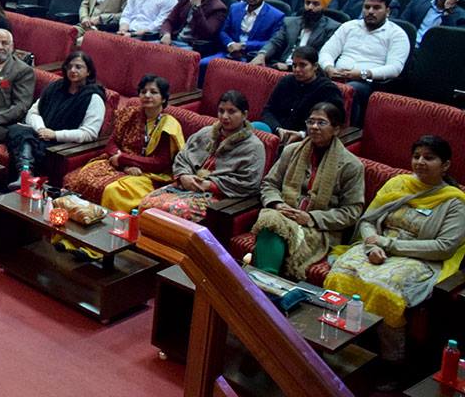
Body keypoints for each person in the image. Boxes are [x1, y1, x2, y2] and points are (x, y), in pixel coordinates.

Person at [324, 136, 465, 382]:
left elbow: (444, 247)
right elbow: (367, 221)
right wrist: (371, 246)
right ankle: (339, 344)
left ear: (445, 165)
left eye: (429, 158)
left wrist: (388, 245)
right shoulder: (398, 184)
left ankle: (392, 363)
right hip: (377, 245)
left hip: (419, 257)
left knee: (385, 290)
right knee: (340, 273)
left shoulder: (455, 202)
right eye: (416, 156)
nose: (420, 162)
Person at [249, 102, 365, 280]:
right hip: (283, 214)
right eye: (311, 122)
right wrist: (277, 204)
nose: (314, 127)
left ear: (336, 129)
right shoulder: (291, 151)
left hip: (319, 229)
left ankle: (263, 282)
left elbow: (352, 212)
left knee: (272, 223)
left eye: (321, 123)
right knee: (271, 219)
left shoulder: (351, 165)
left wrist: (311, 218)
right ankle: (266, 283)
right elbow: (269, 184)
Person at [62, 75, 185, 212]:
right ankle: (77, 219)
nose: (147, 95)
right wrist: (124, 164)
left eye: (153, 92)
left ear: (163, 98)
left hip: (150, 175)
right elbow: (112, 143)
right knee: (81, 177)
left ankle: (106, 223)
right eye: (143, 91)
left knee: (112, 191)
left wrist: (123, 159)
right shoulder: (130, 114)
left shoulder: (168, 125)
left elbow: (160, 162)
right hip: (118, 165)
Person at [139, 91, 266, 223]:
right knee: (146, 204)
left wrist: (209, 185)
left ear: (245, 114)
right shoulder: (206, 133)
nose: (225, 116)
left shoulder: (253, 147)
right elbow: (183, 157)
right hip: (186, 185)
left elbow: (249, 183)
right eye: (221, 111)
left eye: (231, 111)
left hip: (221, 196)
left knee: (172, 210)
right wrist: (183, 176)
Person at [4, 51, 106, 180]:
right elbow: (33, 112)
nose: (73, 70)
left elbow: (89, 133)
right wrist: (41, 129)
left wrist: (55, 134)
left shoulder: (94, 97)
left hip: (62, 143)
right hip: (42, 134)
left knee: (25, 141)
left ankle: (24, 175)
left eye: (78, 67)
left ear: (88, 72)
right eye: (69, 66)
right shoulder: (55, 87)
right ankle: (25, 173)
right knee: (16, 130)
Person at [319, 0, 411, 126]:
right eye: (367, 7)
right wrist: (329, 67)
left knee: (349, 89)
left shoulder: (397, 34)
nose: (370, 12)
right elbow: (326, 52)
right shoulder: (348, 26)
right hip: (336, 75)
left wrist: (363, 74)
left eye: (377, 8)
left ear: (387, 11)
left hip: (369, 82)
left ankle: (342, 129)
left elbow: (395, 68)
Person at [256, 46, 346, 142]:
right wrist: (277, 128)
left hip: (307, 138)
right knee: (255, 127)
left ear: (315, 66)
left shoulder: (327, 89)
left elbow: (334, 122)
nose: (297, 69)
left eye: (302, 65)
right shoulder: (286, 82)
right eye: (294, 65)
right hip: (277, 132)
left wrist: (302, 134)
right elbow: (268, 110)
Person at [251, 0, 340, 67]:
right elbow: (275, 42)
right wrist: (262, 55)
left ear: (324, 7)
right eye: (307, 3)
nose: (310, 7)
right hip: (280, 65)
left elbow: (322, 55)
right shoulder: (289, 22)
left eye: (315, 4)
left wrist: (290, 67)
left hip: (307, 71)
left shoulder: (332, 28)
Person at [206, 0, 285, 64]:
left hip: (252, 57)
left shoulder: (276, 16)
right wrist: (230, 44)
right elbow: (223, 31)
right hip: (229, 53)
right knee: (203, 64)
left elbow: (272, 43)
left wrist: (244, 45)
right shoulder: (235, 8)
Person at [159, 0, 228, 56]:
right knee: (151, 49)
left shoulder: (218, 8)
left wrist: (197, 8)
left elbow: (207, 33)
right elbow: (169, 20)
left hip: (194, 46)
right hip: (174, 40)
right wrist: (166, 34)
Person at [400, 0, 464, 46]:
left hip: (435, 51)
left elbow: (451, 42)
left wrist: (448, 11)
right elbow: (403, 25)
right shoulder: (418, 1)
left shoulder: (462, 17)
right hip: (409, 45)